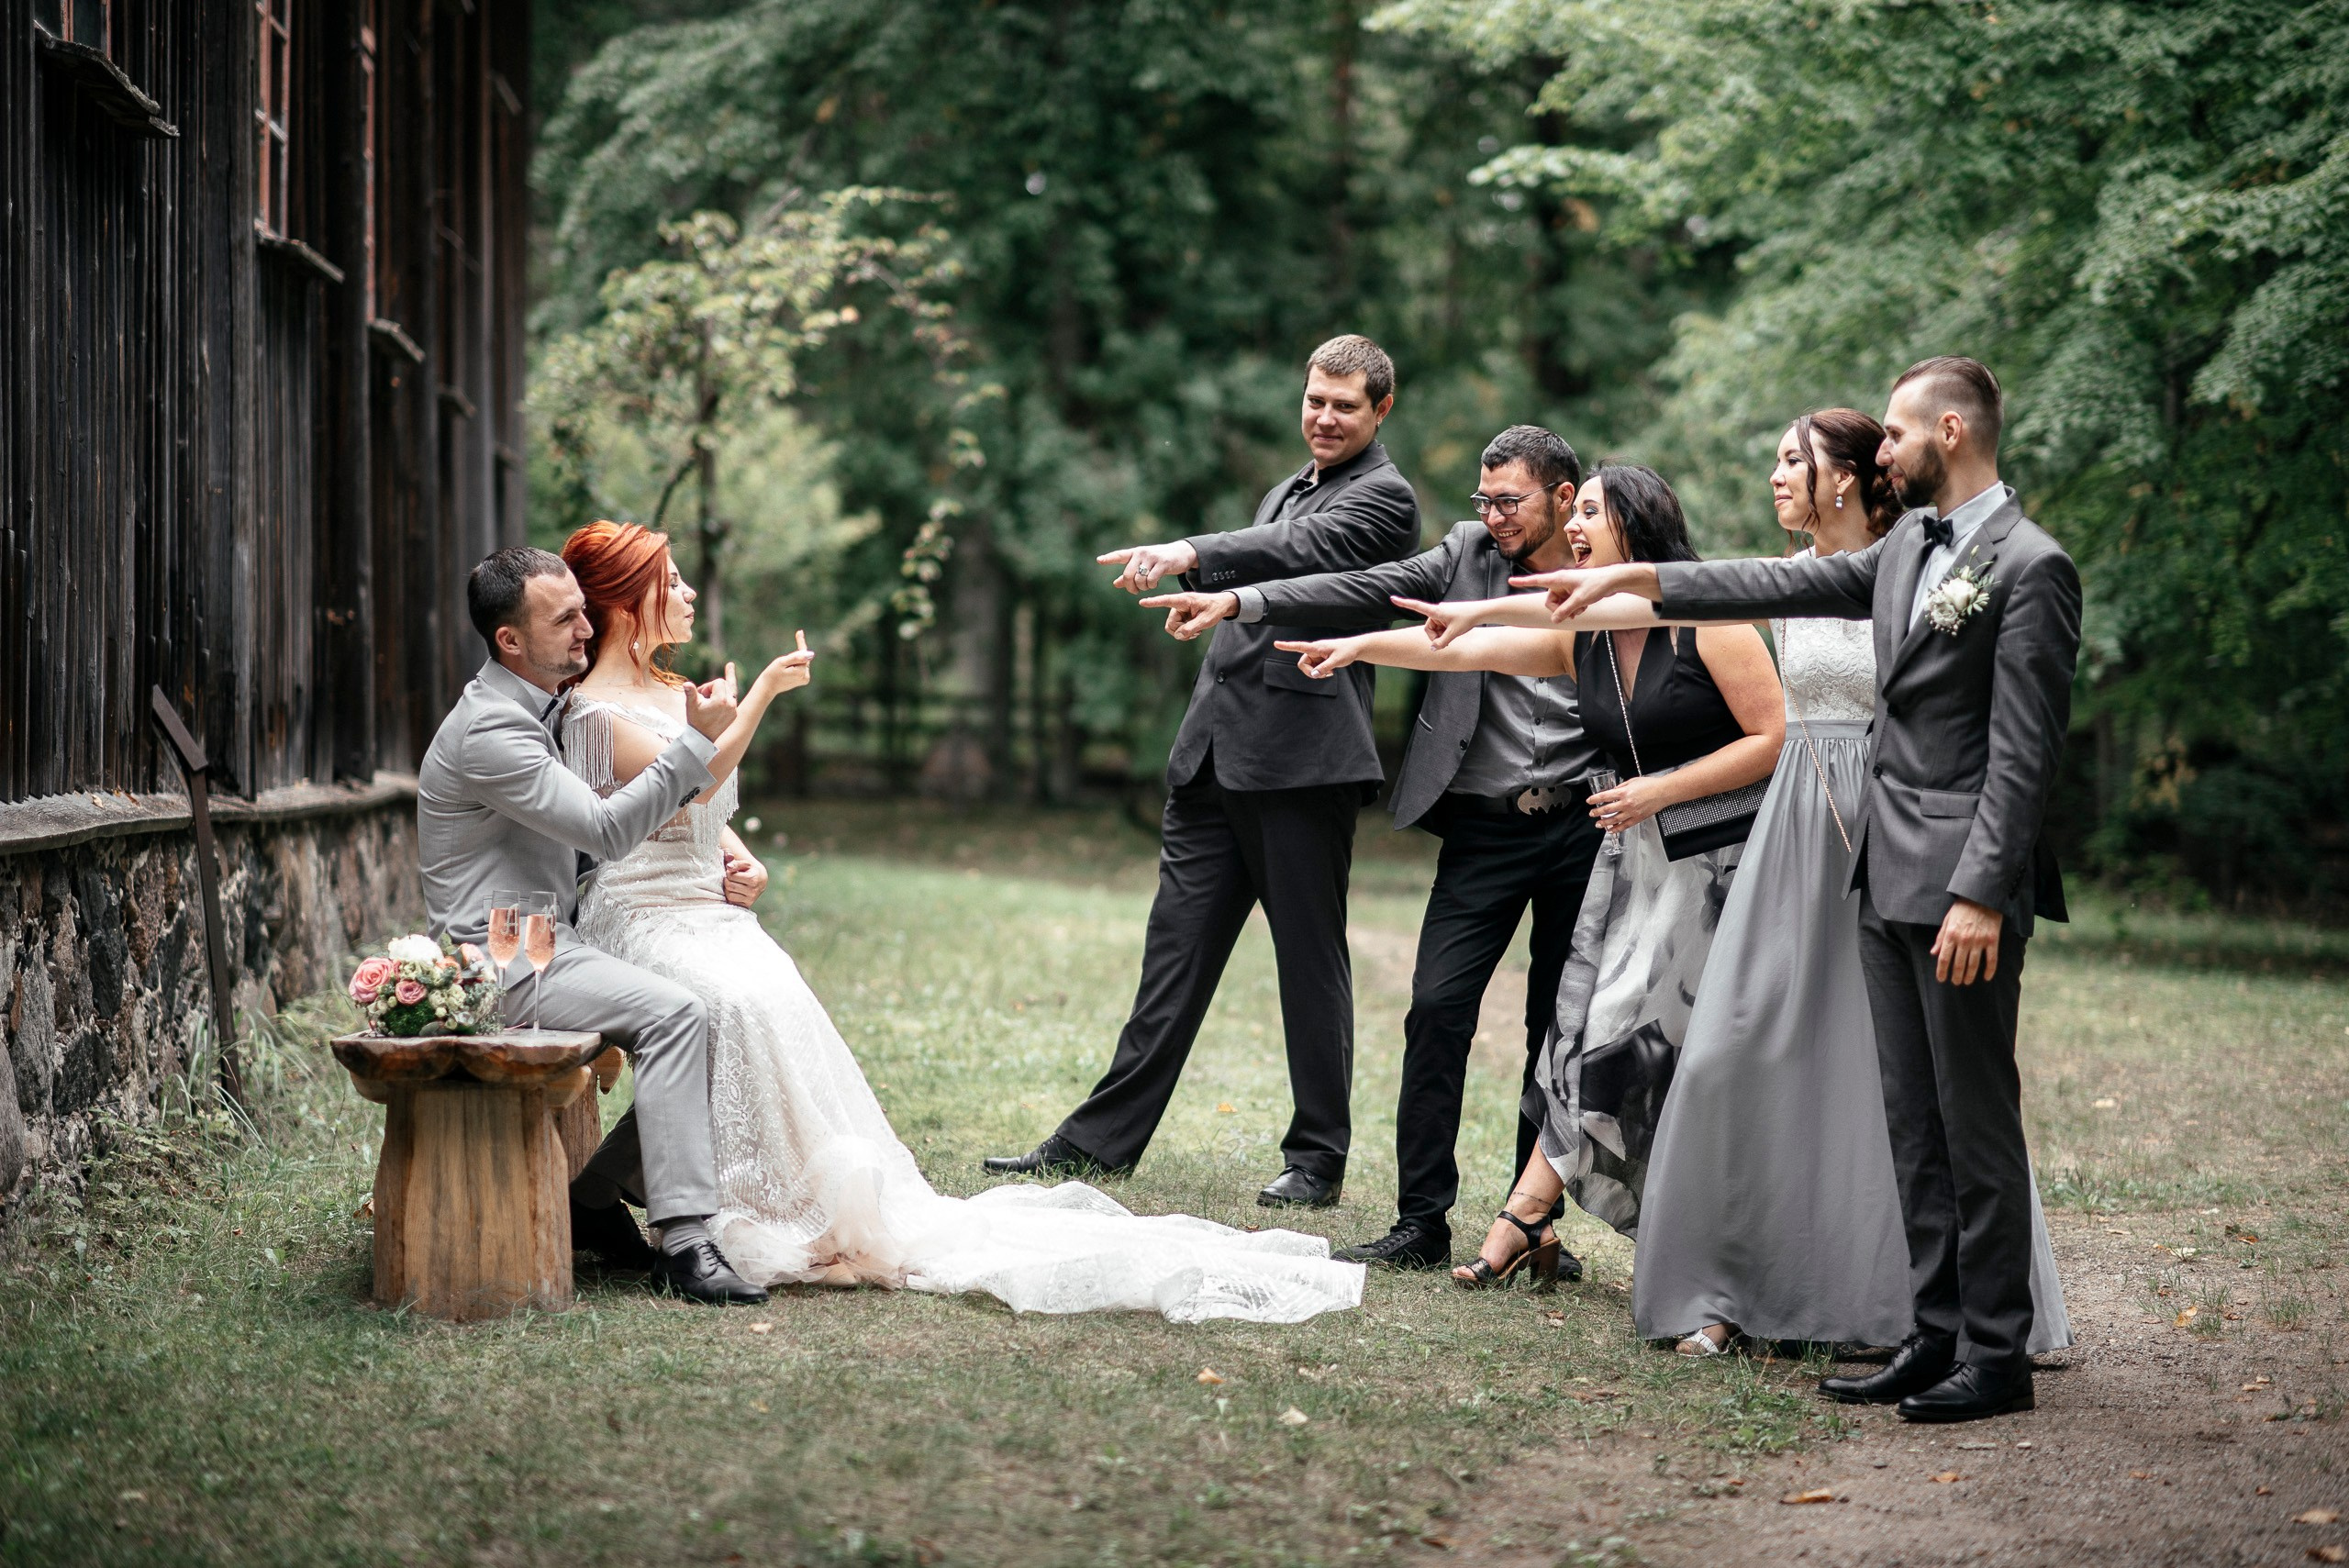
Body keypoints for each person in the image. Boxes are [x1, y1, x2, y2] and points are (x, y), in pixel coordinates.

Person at [552, 520, 1365, 1323]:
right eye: (673, 581)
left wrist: (741, 855)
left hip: (707, 904)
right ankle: (683, 1213)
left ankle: (603, 1190)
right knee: (732, 1005)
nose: (689, 591)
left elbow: (704, 811)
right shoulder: (589, 712)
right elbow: (684, 787)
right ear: (626, 600)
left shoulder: (676, 693)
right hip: (637, 910)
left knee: (774, 998)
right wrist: (761, 694)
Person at [1424, 412, 2068, 1362]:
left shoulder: (1928, 564)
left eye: (1792, 459)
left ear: (1844, 476)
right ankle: (1745, 1284)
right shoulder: (1806, 572)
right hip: (1796, 829)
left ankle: (1919, 1308)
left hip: (1886, 821)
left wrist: (1968, 866)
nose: (1775, 474)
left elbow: (1991, 727)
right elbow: (1712, 590)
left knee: (1893, 1080)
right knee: (1733, 1059)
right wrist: (1527, 603)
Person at [1275, 464, 1784, 1289]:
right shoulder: (1584, 635)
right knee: (1582, 1035)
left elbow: (1775, 736)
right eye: (1576, 512)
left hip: (1719, 863)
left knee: (1631, 1043)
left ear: (1636, 526)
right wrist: (1361, 646)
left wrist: (1659, 790)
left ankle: (1566, 1222)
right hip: (1636, 862)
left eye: (1592, 512)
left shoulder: (1708, 618)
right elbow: (1468, 647)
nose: (1574, 525)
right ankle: (1506, 1219)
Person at [1138, 426, 1607, 1273]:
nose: (1493, 516)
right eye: (1484, 500)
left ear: (1562, 498)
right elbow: (1364, 584)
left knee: (1555, 1025)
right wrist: (1241, 601)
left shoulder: (1608, 564)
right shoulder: (1465, 552)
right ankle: (1421, 1221)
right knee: (1435, 1008)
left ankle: (1531, 1222)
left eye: (1509, 501)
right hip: (1485, 827)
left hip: (1586, 826)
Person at [984, 335, 1422, 1208]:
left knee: (1309, 965)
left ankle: (1317, 1159)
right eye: (1315, 400)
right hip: (1215, 761)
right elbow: (1271, 556)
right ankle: (1098, 1143)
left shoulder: (1385, 498)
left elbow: (1300, 552)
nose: (1324, 417)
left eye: (1344, 406)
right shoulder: (1287, 487)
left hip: (1302, 768)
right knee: (1171, 961)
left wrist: (1189, 551)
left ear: (1381, 410)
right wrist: (1209, 605)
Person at [414, 546, 767, 1306]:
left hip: (554, 939)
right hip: (504, 956)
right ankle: (685, 1242)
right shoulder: (491, 731)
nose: (586, 627)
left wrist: (721, 852)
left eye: (583, 608)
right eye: (565, 618)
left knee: (714, 1005)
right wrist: (696, 743)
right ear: (510, 640)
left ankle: (597, 1195)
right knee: (678, 1013)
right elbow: (604, 831)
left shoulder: (540, 702)